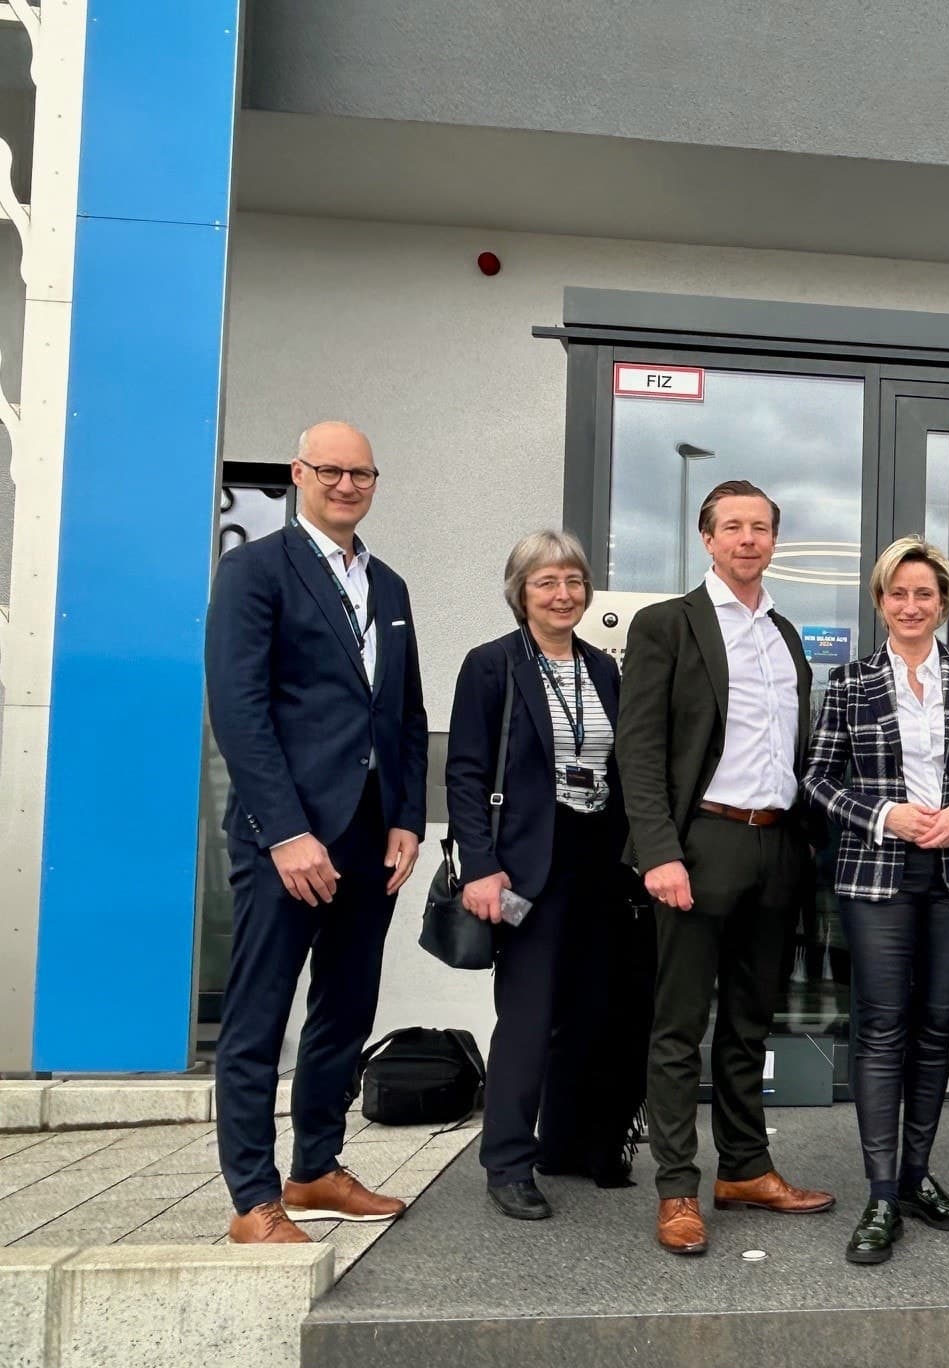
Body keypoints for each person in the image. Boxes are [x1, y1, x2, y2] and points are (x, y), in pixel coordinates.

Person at [203, 421, 426, 1244]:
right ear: (299, 474)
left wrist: (406, 818)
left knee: (345, 1007)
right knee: (261, 1013)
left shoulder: (390, 585)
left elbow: (403, 711)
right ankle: (252, 1199)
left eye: (361, 472)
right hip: (287, 838)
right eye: (330, 470)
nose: (346, 484)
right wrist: (285, 833)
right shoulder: (255, 570)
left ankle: (316, 1169)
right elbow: (241, 709)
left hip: (371, 839)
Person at [615, 479, 835, 1258]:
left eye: (762, 528)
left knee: (749, 1023)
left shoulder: (783, 633)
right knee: (679, 1028)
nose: (748, 539)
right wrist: (659, 853)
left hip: (776, 847)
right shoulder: (667, 626)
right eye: (733, 527)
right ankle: (677, 1187)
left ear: (776, 540)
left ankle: (744, 1167)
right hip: (700, 843)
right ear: (706, 538)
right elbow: (637, 752)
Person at [803, 537, 949, 1263]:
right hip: (879, 874)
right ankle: (878, 1194)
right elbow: (819, 777)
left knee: (936, 1028)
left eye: (924, 594)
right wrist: (884, 815)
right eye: (897, 593)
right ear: (879, 601)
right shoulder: (849, 682)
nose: (910, 605)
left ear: (943, 603)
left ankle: (916, 1175)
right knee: (881, 1028)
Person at [446, 530, 630, 1221]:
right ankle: (508, 1164)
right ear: (520, 591)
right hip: (526, 864)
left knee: (588, 1013)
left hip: (597, 861)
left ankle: (568, 1146)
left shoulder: (603, 670)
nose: (563, 595)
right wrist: (481, 868)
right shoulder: (492, 665)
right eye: (547, 582)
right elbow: (464, 772)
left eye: (574, 582)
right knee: (526, 1017)